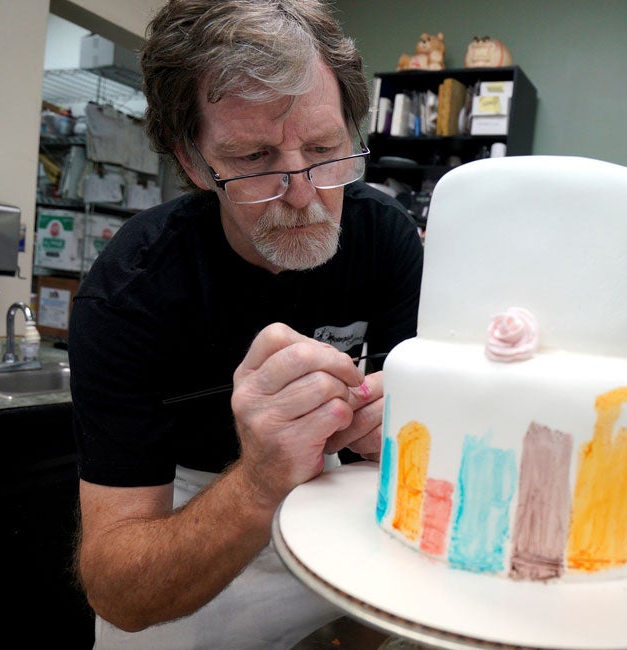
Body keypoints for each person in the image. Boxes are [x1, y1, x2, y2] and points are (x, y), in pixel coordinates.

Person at [67, 1, 424, 647]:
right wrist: (260, 481)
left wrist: (398, 438)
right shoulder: (131, 291)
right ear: (195, 163)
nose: (304, 196)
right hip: (184, 540)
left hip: (330, 534)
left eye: (324, 149)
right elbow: (121, 593)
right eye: (255, 158)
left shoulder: (384, 239)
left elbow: (412, 461)